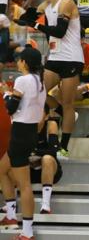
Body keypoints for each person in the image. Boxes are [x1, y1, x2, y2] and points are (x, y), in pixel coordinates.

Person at [18, 0, 84, 159]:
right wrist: (21, 15)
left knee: (69, 101)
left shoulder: (66, 3)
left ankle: (63, 147)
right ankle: (62, 111)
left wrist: (36, 26)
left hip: (71, 58)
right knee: (38, 91)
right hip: (55, 56)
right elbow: (27, 17)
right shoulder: (45, 5)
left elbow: (60, 32)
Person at [0, 47, 46, 239]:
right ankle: (10, 215)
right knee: (2, 169)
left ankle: (27, 231)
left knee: (25, 184)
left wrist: (5, 93)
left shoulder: (23, 80)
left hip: (20, 132)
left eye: (19, 60)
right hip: (30, 131)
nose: (17, 62)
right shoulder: (40, 82)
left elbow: (11, 108)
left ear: (25, 62)